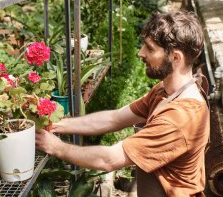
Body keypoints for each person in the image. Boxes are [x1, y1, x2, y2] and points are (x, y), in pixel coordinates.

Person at [36, 11, 210, 197]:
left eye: (150, 49)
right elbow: (114, 118)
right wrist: (58, 125)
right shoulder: (165, 91)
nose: (140, 52)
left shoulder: (180, 118)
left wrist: (56, 147)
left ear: (175, 58)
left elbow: (109, 159)